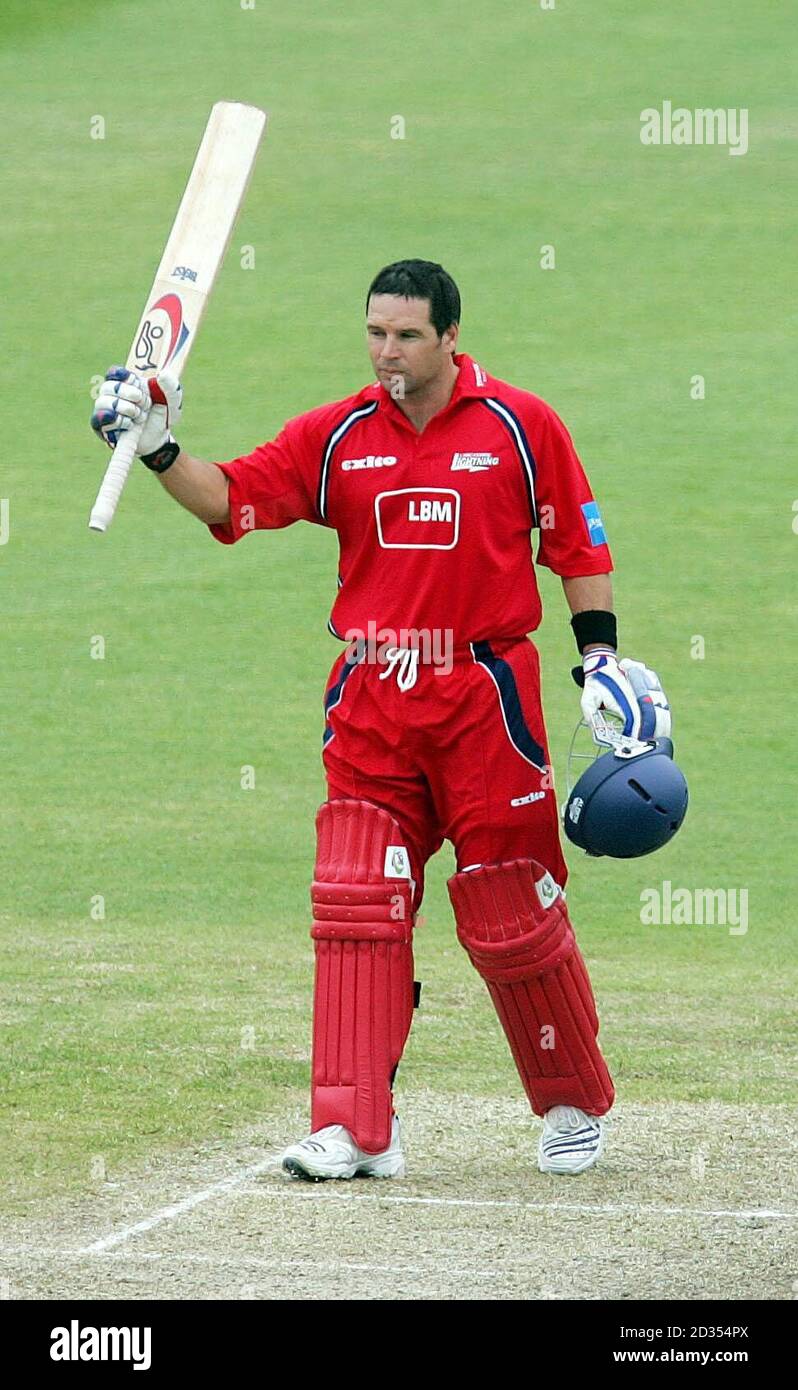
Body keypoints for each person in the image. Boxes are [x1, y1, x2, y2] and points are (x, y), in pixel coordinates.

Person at [92, 259, 669, 1180]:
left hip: (485, 692)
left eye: (405, 335)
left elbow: (575, 542)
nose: (386, 353)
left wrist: (600, 657)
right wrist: (160, 447)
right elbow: (232, 500)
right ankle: (356, 1127)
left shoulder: (521, 426)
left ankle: (568, 1103)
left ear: (449, 336)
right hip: (373, 692)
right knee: (358, 901)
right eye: (374, 333)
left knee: (510, 900)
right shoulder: (339, 434)